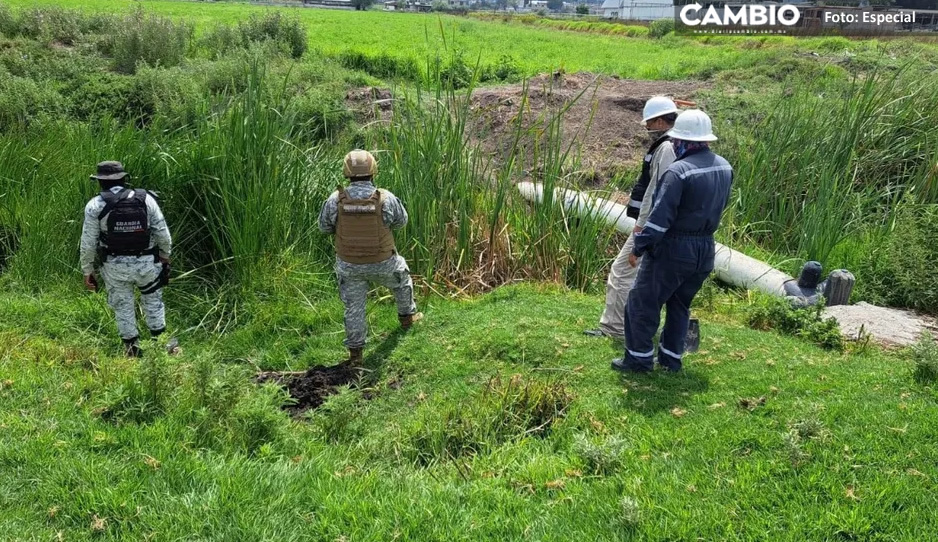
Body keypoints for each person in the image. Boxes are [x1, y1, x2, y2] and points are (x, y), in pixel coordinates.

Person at [612, 110, 733, 373]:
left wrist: (639, 246)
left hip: (674, 248)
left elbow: (659, 218)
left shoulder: (678, 172)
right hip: (705, 248)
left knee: (643, 302)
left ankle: (638, 359)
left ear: (682, 141)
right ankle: (671, 359)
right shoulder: (724, 166)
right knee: (680, 304)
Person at [584, 96, 678, 340]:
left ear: (659, 121)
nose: (647, 128)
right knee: (647, 278)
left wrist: (641, 227)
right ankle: (644, 328)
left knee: (621, 272)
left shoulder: (666, 147)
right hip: (667, 225)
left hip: (652, 225)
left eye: (649, 123)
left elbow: (658, 191)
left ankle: (614, 329)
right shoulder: (681, 142)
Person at [319, 150, 422, 366]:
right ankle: (407, 318)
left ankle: (356, 354)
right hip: (383, 261)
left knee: (354, 306)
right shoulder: (385, 197)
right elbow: (401, 222)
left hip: (349, 265)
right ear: (373, 170)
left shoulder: (335, 199)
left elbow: (324, 227)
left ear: (347, 172)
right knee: (402, 278)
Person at [80, 161, 174, 358]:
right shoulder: (146, 199)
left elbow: (88, 243)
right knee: (153, 302)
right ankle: (162, 346)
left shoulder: (94, 205)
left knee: (122, 305)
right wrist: (165, 257)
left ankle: (132, 350)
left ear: (100, 182)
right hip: (147, 264)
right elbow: (163, 234)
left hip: (114, 267)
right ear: (124, 179)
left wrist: (87, 271)